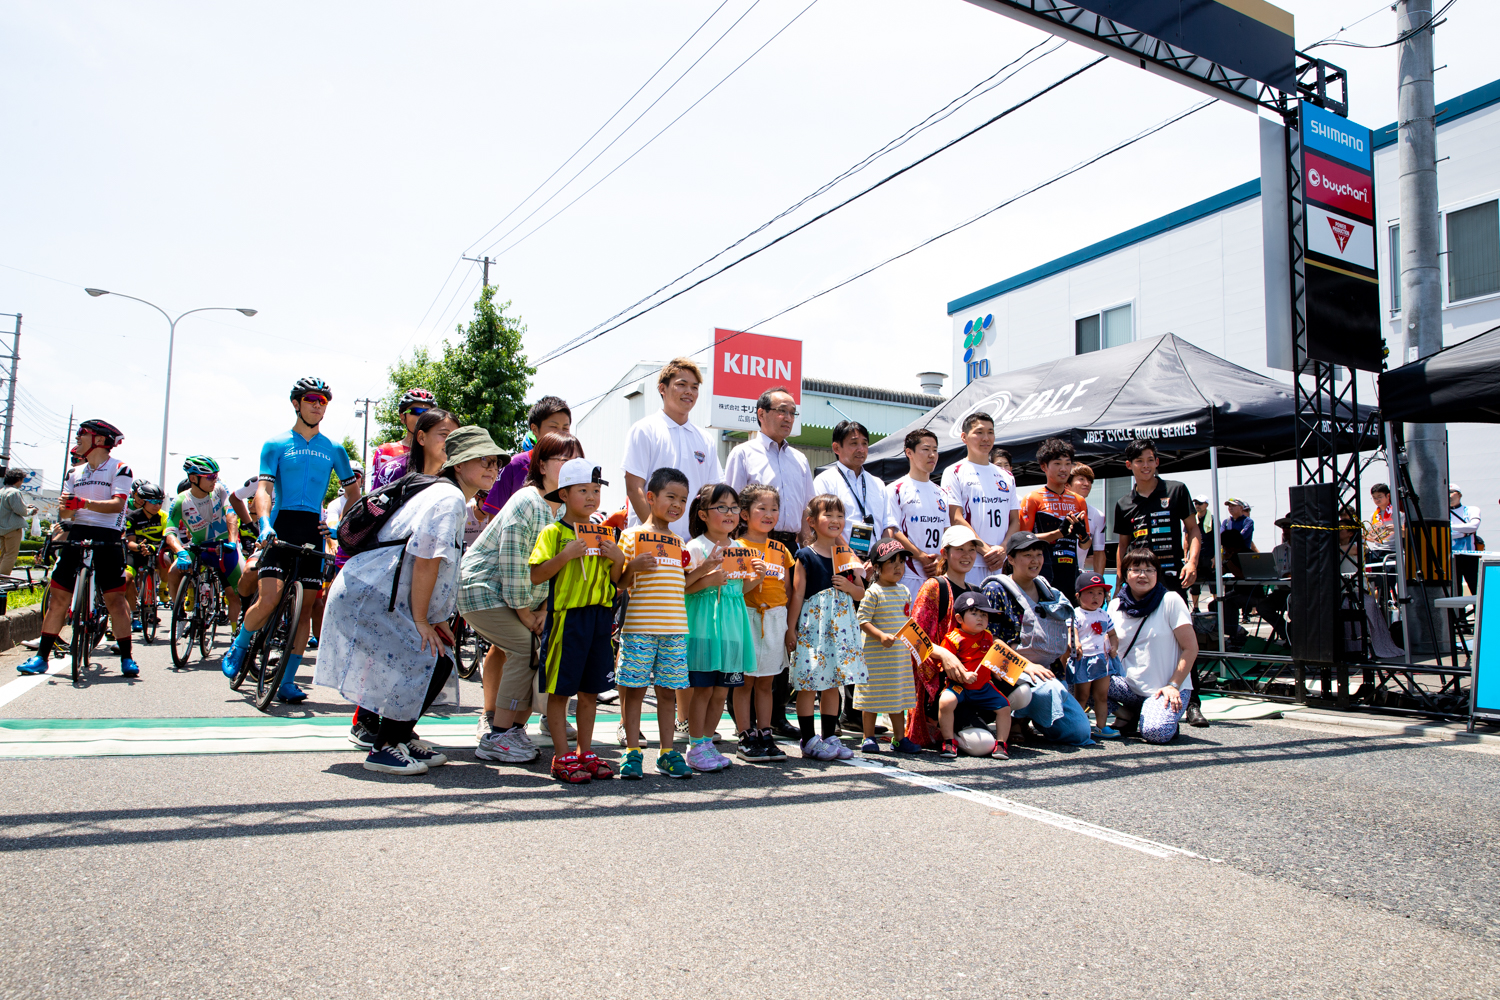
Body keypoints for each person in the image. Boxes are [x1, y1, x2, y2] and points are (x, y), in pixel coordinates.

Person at [317, 425, 501, 775]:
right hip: (372, 593)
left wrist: (433, 617)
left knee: (439, 657)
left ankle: (398, 736)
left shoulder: (446, 493)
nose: (492, 468)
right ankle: (385, 746)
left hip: (374, 590)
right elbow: (427, 560)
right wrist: (422, 620)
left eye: (495, 462)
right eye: (483, 460)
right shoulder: (448, 499)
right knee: (429, 655)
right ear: (459, 464)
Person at [221, 377, 360, 702]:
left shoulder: (334, 449)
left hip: (312, 528)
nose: (317, 405)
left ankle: (286, 680)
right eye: (312, 399)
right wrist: (265, 524)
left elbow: (354, 494)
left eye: (323, 401)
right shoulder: (276, 444)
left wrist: (340, 526)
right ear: (297, 403)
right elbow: (264, 490)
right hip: (281, 527)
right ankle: (240, 647)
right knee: (269, 599)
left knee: (305, 606)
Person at [460, 432, 580, 765]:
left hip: (515, 598)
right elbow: (513, 560)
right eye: (563, 460)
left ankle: (512, 729)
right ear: (541, 465)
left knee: (536, 649)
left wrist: (542, 610)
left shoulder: (561, 512)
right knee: (523, 647)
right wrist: (528, 615)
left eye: (577, 462)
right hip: (482, 590)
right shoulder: (529, 501)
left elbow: (551, 571)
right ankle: (498, 736)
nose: (572, 468)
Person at [528, 458, 626, 783]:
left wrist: (619, 560)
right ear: (564, 494)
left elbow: (614, 582)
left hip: (600, 619)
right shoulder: (552, 532)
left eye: (596, 490)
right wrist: (565, 555)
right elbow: (536, 575)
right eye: (583, 489)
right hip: (567, 620)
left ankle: (585, 752)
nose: (591, 496)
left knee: (591, 691)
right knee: (560, 691)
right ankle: (561, 756)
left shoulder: (605, 533)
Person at [19, 420, 139, 677]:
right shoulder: (74, 472)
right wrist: (71, 506)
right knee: (58, 598)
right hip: (79, 531)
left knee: (115, 599)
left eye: (82, 435)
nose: (77, 439)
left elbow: (118, 505)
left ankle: (126, 657)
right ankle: (41, 657)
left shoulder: (120, 468)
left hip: (108, 534)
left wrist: (82, 502)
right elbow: (65, 511)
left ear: (99, 440)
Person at [1111, 438, 1205, 726]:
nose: (1146, 465)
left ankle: (1192, 702)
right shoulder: (1124, 502)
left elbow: (1193, 530)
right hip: (1134, 581)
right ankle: (1137, 703)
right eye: (1139, 461)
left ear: (1157, 462)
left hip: (1168, 580)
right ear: (1130, 466)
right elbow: (1122, 546)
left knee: (1183, 640)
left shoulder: (1175, 490)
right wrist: (1118, 583)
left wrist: (1191, 562)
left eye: (1151, 459)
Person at [615, 466, 698, 780]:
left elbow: (682, 585)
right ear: (650, 497)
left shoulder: (679, 543)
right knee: (634, 691)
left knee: (668, 692)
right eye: (671, 497)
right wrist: (632, 566)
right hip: (639, 627)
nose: (677, 504)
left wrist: (707, 569)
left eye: (683, 499)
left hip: (675, 629)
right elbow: (619, 582)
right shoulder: (631, 536)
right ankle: (632, 751)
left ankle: (667, 752)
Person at [978, 532, 1092, 746]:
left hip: (1047, 671)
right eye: (1027, 555)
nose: (1035, 560)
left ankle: (1031, 717)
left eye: (1039, 554)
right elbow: (989, 641)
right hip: (1008, 671)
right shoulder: (995, 589)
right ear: (1010, 559)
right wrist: (1025, 666)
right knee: (1052, 690)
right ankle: (1016, 718)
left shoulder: (1048, 590)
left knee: (1079, 733)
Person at [682, 483, 758, 771]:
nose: (730, 513)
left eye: (734, 508)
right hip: (704, 627)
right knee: (702, 689)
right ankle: (694, 746)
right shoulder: (695, 547)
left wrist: (757, 578)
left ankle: (707, 743)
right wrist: (706, 579)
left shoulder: (739, 548)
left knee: (721, 691)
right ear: (703, 514)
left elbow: (740, 589)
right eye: (722, 507)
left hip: (732, 628)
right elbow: (685, 587)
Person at [786, 494, 866, 761]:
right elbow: (797, 594)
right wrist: (791, 628)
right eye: (828, 515)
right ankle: (808, 739)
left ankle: (830, 736)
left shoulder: (847, 556)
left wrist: (850, 587)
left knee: (834, 683)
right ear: (811, 521)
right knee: (808, 683)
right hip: (814, 625)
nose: (835, 521)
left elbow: (861, 593)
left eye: (840, 516)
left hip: (841, 627)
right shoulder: (805, 555)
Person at [622, 357, 723, 540]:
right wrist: (657, 533)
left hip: (693, 546)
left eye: (694, 387)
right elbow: (634, 487)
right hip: (650, 542)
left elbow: (712, 494)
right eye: (681, 384)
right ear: (662, 389)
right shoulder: (645, 429)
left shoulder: (705, 439)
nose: (689, 392)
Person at [1108, 547, 1199, 744]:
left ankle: (1153, 715)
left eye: (1150, 570)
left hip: (1164, 688)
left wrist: (1174, 685)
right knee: (1078, 680)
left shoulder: (1171, 601)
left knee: (1155, 732)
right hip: (1130, 687)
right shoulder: (1115, 605)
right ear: (1125, 574)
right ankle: (1128, 715)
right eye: (1136, 569)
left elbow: (1191, 648)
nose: (1143, 575)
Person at [905, 525, 983, 748]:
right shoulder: (935, 586)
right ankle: (936, 724)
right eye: (960, 549)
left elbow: (986, 639)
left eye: (971, 549)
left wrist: (1023, 666)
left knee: (1023, 692)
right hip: (941, 682)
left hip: (970, 679)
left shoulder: (975, 591)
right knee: (981, 744)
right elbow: (912, 635)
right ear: (945, 553)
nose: (967, 555)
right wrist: (944, 655)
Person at [734, 484, 799, 745]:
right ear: (745, 514)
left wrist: (788, 628)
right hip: (746, 618)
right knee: (745, 682)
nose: (769, 514)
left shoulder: (781, 550)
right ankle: (745, 732)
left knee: (767, 683)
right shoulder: (736, 546)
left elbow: (787, 590)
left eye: (774, 508)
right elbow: (732, 589)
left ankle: (765, 730)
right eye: (762, 508)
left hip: (775, 619)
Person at [163, 456, 254, 631]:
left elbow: (231, 514)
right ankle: (180, 616)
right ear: (193, 479)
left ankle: (236, 633)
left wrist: (233, 542)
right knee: (173, 572)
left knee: (234, 593)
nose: (215, 480)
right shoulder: (181, 501)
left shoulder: (220, 489)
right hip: (200, 546)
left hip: (225, 546)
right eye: (210, 477)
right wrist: (179, 551)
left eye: (216, 475)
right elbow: (170, 532)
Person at [723, 385, 815, 549]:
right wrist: (736, 550)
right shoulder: (743, 454)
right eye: (782, 411)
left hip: (792, 549)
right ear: (761, 414)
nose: (788, 418)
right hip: (754, 546)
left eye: (792, 413)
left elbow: (805, 513)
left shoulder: (800, 459)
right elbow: (732, 508)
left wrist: (809, 554)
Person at [853, 539, 920, 754]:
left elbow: (907, 620)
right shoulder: (873, 592)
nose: (899, 566)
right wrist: (880, 635)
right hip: (875, 656)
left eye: (901, 561)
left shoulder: (904, 591)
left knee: (897, 697)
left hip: (898, 656)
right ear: (877, 568)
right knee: (870, 696)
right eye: (892, 562)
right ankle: (868, 737)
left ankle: (900, 738)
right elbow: (862, 620)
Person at [941, 412, 1019, 585]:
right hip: (970, 562)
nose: (986, 438)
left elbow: (1015, 520)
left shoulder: (1006, 476)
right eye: (979, 432)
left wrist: (1003, 549)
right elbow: (956, 517)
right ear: (964, 437)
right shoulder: (954, 471)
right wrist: (985, 550)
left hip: (1000, 562)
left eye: (990, 432)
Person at [936, 591, 1014, 760]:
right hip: (959, 686)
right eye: (974, 614)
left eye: (984, 615)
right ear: (959, 618)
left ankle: (1001, 744)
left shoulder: (988, 636)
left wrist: (996, 669)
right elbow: (945, 665)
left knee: (1004, 707)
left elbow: (992, 657)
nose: (980, 618)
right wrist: (962, 675)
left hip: (983, 686)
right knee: (945, 702)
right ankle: (948, 740)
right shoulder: (953, 638)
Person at [1016, 437, 1089, 604]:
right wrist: (1058, 533)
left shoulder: (1079, 500)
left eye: (1067, 463)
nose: (1063, 469)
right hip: (1043, 571)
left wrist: (1083, 535)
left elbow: (1085, 545)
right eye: (1057, 463)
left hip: (1071, 571)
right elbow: (1024, 540)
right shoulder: (1032, 498)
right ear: (1044, 467)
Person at [889, 428, 960, 599]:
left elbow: (946, 533)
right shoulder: (895, 489)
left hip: (936, 574)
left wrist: (940, 560)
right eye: (926, 449)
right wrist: (920, 556)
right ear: (909, 453)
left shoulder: (942, 493)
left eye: (935, 450)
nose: (932, 455)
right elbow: (892, 531)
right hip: (907, 574)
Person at [811, 419, 891, 559]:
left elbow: (888, 525)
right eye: (854, 443)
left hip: (876, 566)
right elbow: (823, 527)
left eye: (864, 443)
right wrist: (853, 561)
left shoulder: (878, 484)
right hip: (838, 563)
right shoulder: (825, 481)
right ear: (836, 448)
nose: (861, 449)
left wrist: (881, 560)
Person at [481, 396, 571, 515]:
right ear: (534, 429)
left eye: (565, 428)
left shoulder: (572, 469)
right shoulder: (513, 466)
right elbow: (494, 519)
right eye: (553, 427)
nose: (560, 433)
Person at [1068, 571, 1119, 739]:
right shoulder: (1075, 613)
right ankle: (1078, 726)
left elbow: (1112, 634)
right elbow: (1072, 631)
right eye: (1090, 592)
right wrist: (1076, 643)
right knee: (1082, 695)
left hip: (1102, 659)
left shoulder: (1104, 614)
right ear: (1078, 595)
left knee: (1101, 696)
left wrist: (1114, 647)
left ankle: (1101, 726)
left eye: (1100, 593)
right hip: (1084, 659)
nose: (1096, 597)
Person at [369, 387, 437, 490]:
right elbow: (376, 493)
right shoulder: (386, 451)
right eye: (416, 411)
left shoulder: (440, 452)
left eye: (427, 412)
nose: (422, 416)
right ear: (402, 417)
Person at [123, 482, 169, 628]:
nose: (157, 506)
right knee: (127, 579)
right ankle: (134, 614)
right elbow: (129, 543)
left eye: (160, 502)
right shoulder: (132, 517)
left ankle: (163, 588)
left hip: (156, 551)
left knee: (167, 561)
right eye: (153, 502)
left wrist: (154, 548)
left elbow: (168, 539)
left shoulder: (164, 517)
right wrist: (139, 547)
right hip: (136, 553)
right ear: (143, 502)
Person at [1066, 463, 1106, 575]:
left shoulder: (1097, 515)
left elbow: (1099, 552)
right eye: (1081, 479)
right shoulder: (1052, 508)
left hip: (1078, 574)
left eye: (1089, 480)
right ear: (1067, 484)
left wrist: (1099, 583)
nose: (1086, 483)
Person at [0, 468, 37, 576]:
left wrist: (25, 507)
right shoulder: (15, 492)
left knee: (3, 554)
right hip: (12, 529)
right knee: (11, 555)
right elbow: (21, 511)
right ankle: (3, 579)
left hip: (1, 528)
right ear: (18, 480)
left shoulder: (2, 491)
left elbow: (8, 507)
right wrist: (31, 511)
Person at [1451, 487, 1482, 597]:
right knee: (1455, 592)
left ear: (1459, 495)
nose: (1448, 495)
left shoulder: (1471, 509)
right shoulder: (1441, 513)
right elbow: (1442, 532)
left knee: (1476, 589)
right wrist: (1464, 532)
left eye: (1451, 492)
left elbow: (1473, 526)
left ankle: (1479, 613)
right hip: (1450, 558)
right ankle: (1458, 614)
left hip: (1470, 555)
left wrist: (1450, 528)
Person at [1188, 496, 1212, 610]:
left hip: (1209, 555)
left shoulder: (1212, 519)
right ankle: (1196, 608)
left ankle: (1216, 605)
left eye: (1200, 503)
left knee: (1213, 581)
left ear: (1206, 505)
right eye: (1196, 503)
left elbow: (1218, 539)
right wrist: (1186, 556)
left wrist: (1216, 556)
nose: (1197, 505)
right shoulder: (1192, 519)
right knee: (1195, 581)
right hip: (1196, 555)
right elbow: (1187, 537)